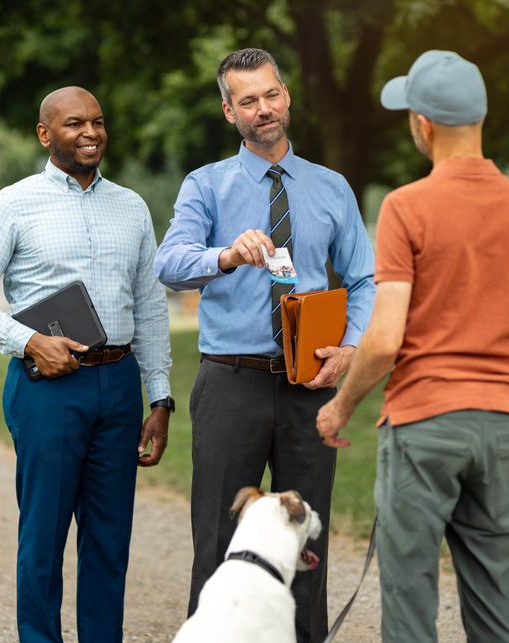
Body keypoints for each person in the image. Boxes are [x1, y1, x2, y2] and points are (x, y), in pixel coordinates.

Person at [154, 48, 375, 642]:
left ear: (287, 95)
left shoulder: (332, 189)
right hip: (232, 382)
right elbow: (169, 264)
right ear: (230, 112)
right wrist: (224, 255)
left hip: (312, 385)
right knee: (220, 545)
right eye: (247, 101)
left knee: (306, 547)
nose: (264, 109)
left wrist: (352, 346)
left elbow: (363, 279)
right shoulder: (206, 185)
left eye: (270, 94)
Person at [316, 50, 509, 642]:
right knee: (499, 601)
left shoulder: (407, 206)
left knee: (409, 598)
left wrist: (340, 408)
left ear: (423, 124)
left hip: (423, 425)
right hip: (501, 426)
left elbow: (382, 339)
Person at [0, 86, 172, 641]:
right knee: (43, 539)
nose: (90, 132)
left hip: (119, 384)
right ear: (45, 134)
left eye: (98, 122)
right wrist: (30, 340)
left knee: (109, 541)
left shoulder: (131, 206)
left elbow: (152, 307)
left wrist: (159, 398)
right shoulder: (12, 204)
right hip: (47, 390)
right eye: (75, 123)